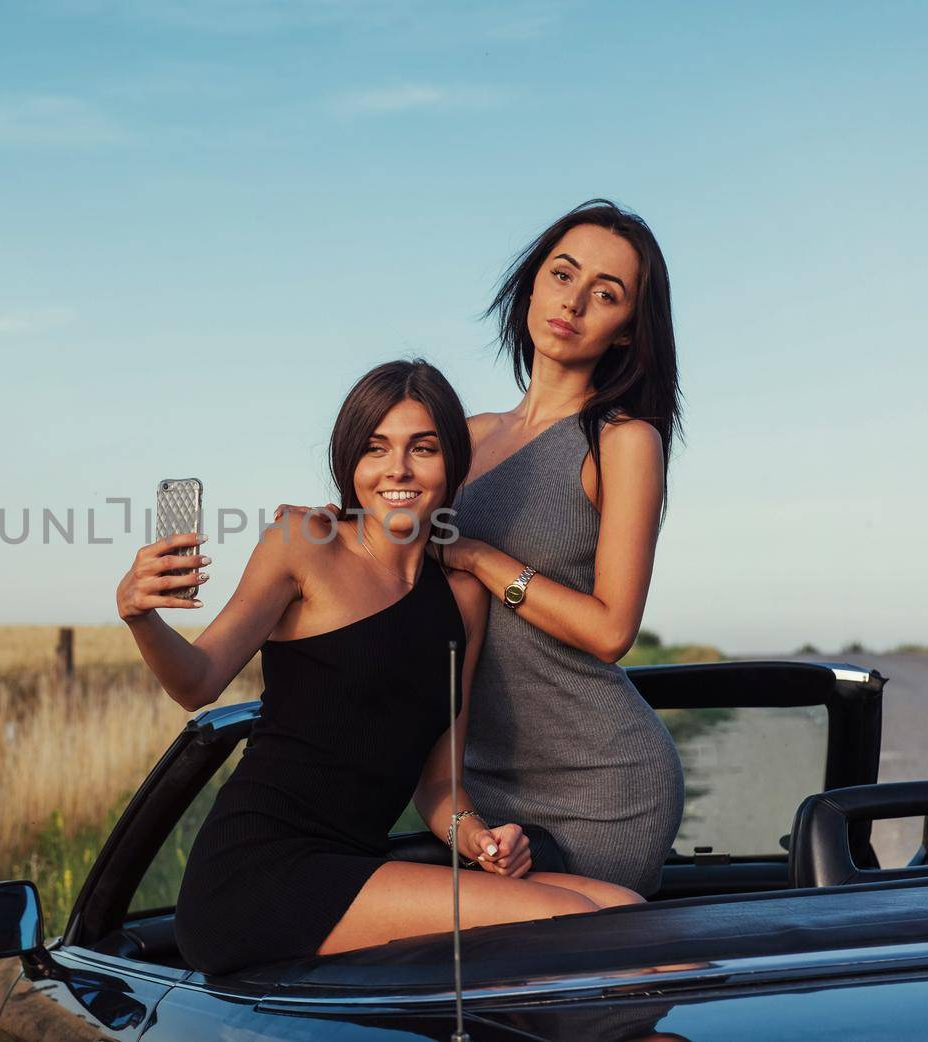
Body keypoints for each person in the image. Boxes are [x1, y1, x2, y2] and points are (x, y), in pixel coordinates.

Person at [115, 359, 641, 977]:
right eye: (375, 449)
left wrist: (482, 841)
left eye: (423, 448)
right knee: (585, 923)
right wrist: (140, 617)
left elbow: (441, 787)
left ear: (452, 464)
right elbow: (197, 682)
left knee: (626, 910)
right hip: (256, 876)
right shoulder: (303, 543)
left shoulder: (465, 600)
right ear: (350, 463)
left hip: (356, 868)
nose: (397, 469)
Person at [276, 199, 686, 897]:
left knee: (547, 989)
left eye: (606, 294)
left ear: (625, 332)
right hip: (473, 785)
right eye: (563, 275)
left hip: (603, 788)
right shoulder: (464, 434)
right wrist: (330, 528)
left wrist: (479, 558)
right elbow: (391, 549)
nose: (575, 302)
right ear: (532, 286)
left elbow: (612, 629)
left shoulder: (623, 440)